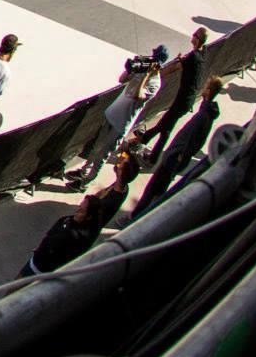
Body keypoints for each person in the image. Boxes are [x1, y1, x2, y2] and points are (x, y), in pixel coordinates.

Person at [64, 54, 163, 186]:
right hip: (112, 114)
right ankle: (84, 171)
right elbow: (122, 80)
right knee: (95, 148)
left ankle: (85, 182)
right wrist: (131, 69)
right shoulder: (141, 71)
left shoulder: (155, 83)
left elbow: (137, 95)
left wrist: (145, 77)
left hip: (121, 124)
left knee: (102, 155)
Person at [132, 77, 225, 216]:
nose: (203, 88)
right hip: (175, 157)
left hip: (174, 158)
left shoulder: (203, 116)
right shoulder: (206, 113)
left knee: (153, 188)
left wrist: (178, 155)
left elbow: (194, 141)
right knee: (158, 189)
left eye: (206, 86)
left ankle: (136, 216)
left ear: (209, 90)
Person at [129, 27, 209, 163]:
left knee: (164, 127)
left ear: (198, 39)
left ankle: (144, 143)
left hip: (183, 100)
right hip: (186, 99)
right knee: (165, 128)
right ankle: (147, 147)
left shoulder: (193, 57)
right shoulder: (200, 54)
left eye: (195, 34)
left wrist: (154, 75)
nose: (192, 35)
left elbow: (175, 68)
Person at [20, 194, 103, 277]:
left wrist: (41, 250)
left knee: (17, 286)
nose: (77, 211)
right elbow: (49, 235)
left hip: (40, 269)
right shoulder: (68, 220)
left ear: (88, 217)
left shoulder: (75, 235)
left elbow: (55, 244)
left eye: (81, 210)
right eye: (79, 206)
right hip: (37, 261)